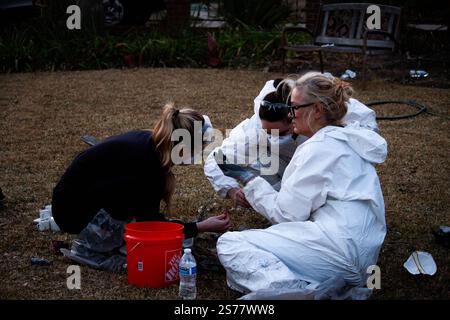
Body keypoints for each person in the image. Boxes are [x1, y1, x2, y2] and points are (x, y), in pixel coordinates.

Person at [216, 73, 388, 296]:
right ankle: (320, 286)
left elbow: (286, 215)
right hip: (363, 259)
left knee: (229, 244)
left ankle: (298, 292)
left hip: (337, 252)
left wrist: (248, 180)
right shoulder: (347, 139)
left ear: (317, 110)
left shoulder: (319, 146)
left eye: (295, 107)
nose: (290, 114)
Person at [52, 103, 230, 270]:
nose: (197, 155)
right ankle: (89, 249)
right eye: (197, 149)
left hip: (69, 201)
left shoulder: (149, 143)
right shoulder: (149, 168)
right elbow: (150, 225)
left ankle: (107, 237)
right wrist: (200, 227)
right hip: (71, 213)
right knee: (132, 211)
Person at [204, 74, 378, 208]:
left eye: (282, 133)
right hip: (284, 169)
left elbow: (367, 133)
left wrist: (337, 139)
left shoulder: (325, 114)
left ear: (296, 116)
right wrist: (232, 190)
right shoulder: (254, 128)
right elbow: (217, 159)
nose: (275, 138)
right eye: (268, 132)